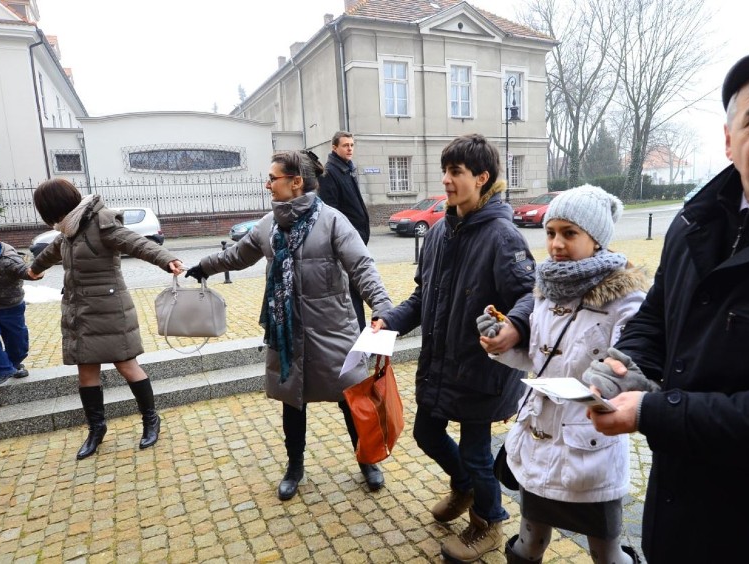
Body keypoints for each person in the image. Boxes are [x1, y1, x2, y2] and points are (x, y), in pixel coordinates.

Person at [586, 43, 749, 563]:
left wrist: (654, 411)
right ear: (729, 140)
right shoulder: (693, 221)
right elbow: (657, 312)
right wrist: (626, 362)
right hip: (679, 512)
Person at [185, 150, 393, 500]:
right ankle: (294, 466)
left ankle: (367, 459)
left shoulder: (333, 221)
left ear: (296, 182)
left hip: (334, 331)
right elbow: (237, 255)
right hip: (287, 333)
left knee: (351, 399)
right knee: (293, 401)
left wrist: (384, 306)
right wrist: (205, 266)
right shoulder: (268, 225)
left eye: (273, 178)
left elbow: (362, 267)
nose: (267, 184)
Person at [372, 134, 536, 563]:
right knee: (427, 432)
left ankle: (488, 522)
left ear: (482, 178)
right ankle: (464, 486)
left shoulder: (503, 236)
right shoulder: (441, 231)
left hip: (482, 370)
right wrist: (388, 322)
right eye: (445, 171)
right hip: (442, 365)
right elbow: (422, 298)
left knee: (478, 454)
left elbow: (530, 297)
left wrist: (514, 326)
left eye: (456, 172)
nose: (446, 180)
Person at [478, 185, 651, 564]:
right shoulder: (545, 288)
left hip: (588, 449)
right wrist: (501, 342)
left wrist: (610, 378)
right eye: (551, 232)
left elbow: (637, 360)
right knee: (530, 544)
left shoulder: (626, 297)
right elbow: (538, 360)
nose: (556, 244)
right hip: (539, 441)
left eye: (569, 233)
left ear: (597, 238)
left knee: (606, 554)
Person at [29, 179, 184, 460]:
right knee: (86, 371)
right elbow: (51, 252)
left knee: (127, 366)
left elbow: (136, 243)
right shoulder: (67, 229)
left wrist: (166, 259)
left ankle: (151, 420)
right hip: (80, 310)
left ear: (55, 206)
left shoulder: (100, 221)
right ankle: (96, 429)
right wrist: (33, 270)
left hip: (110, 308)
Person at [318, 131, 370, 330]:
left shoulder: (347, 169)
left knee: (357, 290)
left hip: (356, 241)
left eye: (352, 145)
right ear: (334, 148)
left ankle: (362, 338)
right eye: (345, 145)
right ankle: (357, 341)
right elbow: (332, 213)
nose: (350, 149)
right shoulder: (329, 173)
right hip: (346, 244)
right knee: (351, 293)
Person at [0, 232, 33, 388]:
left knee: (17, 340)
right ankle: (3, 370)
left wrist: (33, 274)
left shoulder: (9, 259)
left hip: (11, 307)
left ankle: (14, 364)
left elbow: (22, 270)